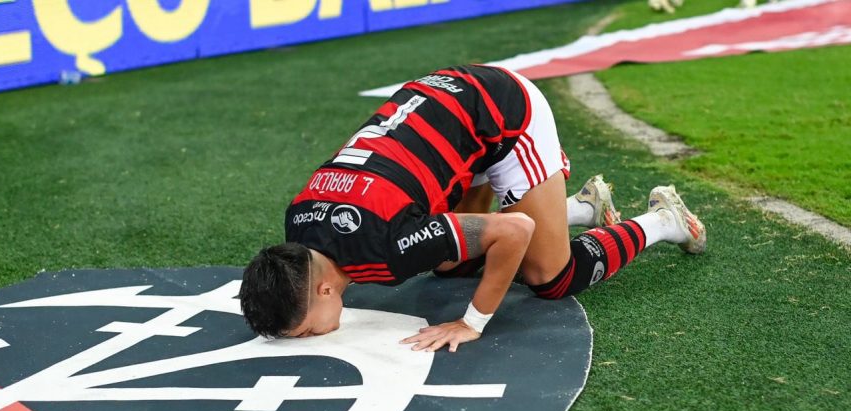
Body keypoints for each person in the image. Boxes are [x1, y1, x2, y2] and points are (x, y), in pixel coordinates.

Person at [240, 64, 705, 352]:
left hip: (504, 116)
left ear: (323, 292)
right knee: (454, 262)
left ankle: (664, 219)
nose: (306, 338)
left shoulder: (387, 246)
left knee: (551, 276)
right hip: (446, 106)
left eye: (302, 332)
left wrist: (472, 322)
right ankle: (583, 208)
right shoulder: (298, 219)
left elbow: (516, 230)